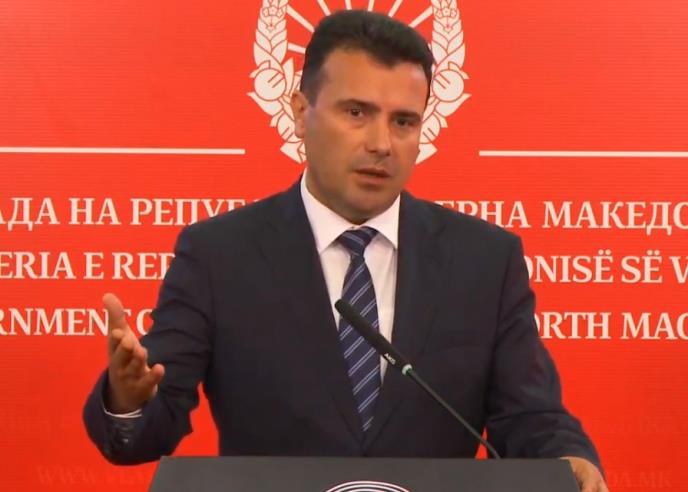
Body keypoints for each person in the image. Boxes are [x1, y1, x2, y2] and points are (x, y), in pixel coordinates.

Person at [84, 10, 608, 492]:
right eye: (357, 112)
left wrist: (570, 460)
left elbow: (530, 417)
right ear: (300, 112)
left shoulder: (484, 261)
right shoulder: (218, 255)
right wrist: (129, 399)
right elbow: (147, 431)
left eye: (404, 121)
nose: (381, 143)